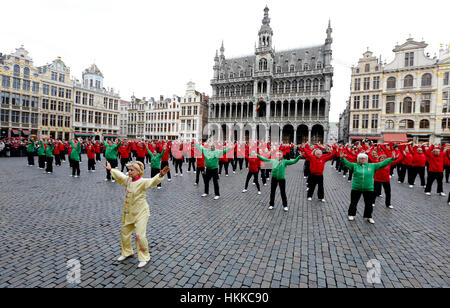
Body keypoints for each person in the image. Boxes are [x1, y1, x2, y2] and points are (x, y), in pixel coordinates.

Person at [105, 160, 170, 268]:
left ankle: (144, 257)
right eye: (129, 170)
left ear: (138, 172)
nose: (129, 172)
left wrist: (160, 175)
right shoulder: (128, 180)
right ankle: (127, 252)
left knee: (139, 236)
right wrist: (111, 169)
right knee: (124, 233)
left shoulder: (143, 182)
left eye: (132, 170)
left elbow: (152, 182)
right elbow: (120, 176)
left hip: (141, 213)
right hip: (129, 213)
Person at [340, 151, 396, 224]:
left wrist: (391, 159)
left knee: (369, 203)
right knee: (353, 202)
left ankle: (369, 216)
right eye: (361, 158)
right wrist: (342, 158)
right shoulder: (354, 166)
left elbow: (382, 164)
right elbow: (346, 163)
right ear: (358, 159)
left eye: (364, 158)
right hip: (356, 187)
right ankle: (351, 214)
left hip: (368, 188)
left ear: (367, 159)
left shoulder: (372, 166)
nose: (363, 160)